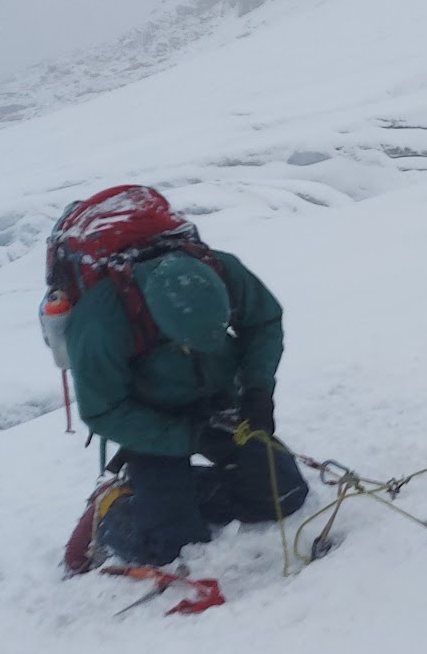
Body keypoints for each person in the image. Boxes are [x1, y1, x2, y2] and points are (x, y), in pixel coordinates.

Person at [68, 240, 309, 570]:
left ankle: (168, 496)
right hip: (149, 418)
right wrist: (187, 438)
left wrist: (257, 390)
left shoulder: (222, 270)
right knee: (171, 545)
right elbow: (103, 410)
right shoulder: (100, 322)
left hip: (218, 399)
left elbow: (263, 322)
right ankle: (112, 507)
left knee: (285, 493)